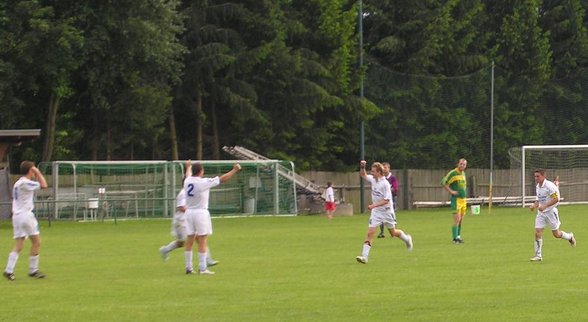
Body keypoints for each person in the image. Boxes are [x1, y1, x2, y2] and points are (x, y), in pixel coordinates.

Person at [183, 161, 241, 275]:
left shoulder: (187, 180)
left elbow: (188, 174)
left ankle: (188, 267)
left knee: (190, 240)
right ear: (201, 171)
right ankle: (202, 268)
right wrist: (234, 170)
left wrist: (188, 166)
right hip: (200, 212)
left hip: (189, 212)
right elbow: (222, 179)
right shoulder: (203, 182)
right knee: (202, 240)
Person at [356, 160, 413, 264]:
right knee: (370, 232)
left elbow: (386, 200)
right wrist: (362, 166)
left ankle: (407, 239)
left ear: (379, 172)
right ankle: (364, 257)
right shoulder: (374, 179)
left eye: (373, 171)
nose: (371, 173)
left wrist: (373, 205)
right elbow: (363, 175)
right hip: (376, 212)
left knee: (393, 232)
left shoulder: (385, 184)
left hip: (387, 211)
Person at [3, 161, 48, 281]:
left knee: (19, 244)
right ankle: (33, 270)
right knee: (37, 242)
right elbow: (44, 185)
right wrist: (38, 172)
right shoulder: (26, 183)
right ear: (31, 170)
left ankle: (9, 270)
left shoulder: (18, 183)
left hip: (16, 216)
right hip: (26, 215)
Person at [529, 169, 576, 262]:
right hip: (541, 213)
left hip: (551, 212)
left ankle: (570, 236)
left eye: (538, 176)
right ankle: (538, 255)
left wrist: (545, 205)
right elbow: (538, 200)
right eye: (535, 176)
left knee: (556, 234)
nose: (536, 178)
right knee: (537, 232)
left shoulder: (550, 186)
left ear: (543, 176)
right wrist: (534, 205)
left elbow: (556, 199)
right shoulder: (538, 186)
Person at [441, 158, 468, 244]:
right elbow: (443, 182)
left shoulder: (463, 174)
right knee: (457, 219)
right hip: (456, 200)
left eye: (464, 164)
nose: (462, 165)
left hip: (463, 200)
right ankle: (454, 239)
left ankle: (458, 237)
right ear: (457, 164)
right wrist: (451, 191)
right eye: (461, 164)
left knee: (461, 220)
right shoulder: (453, 173)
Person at [378, 162, 399, 238]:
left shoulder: (392, 178)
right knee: (380, 215)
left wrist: (388, 191)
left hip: (391, 199)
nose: (384, 169)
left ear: (389, 168)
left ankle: (393, 231)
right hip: (381, 200)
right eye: (382, 168)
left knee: (391, 214)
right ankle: (382, 232)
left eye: (385, 167)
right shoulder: (380, 179)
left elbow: (395, 188)